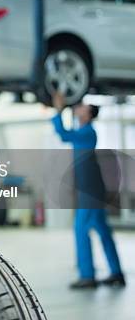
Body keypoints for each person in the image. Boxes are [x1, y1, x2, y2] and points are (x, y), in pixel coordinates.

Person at [51, 92, 125, 289]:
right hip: (91, 189)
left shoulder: (87, 132)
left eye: (82, 106)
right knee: (102, 230)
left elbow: (64, 134)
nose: (78, 107)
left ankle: (88, 276)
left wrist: (59, 109)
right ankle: (116, 272)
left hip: (90, 192)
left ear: (89, 113)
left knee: (81, 229)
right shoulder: (83, 130)